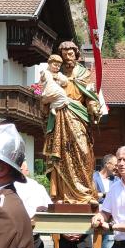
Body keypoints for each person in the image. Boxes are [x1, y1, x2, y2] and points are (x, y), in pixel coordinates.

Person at [42, 40, 101, 205]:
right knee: (61, 153)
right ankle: (62, 195)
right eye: (64, 54)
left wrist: (94, 107)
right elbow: (46, 93)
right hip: (59, 115)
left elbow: (89, 96)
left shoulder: (84, 74)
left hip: (78, 115)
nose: (67, 57)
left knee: (83, 151)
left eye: (70, 54)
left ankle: (85, 192)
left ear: (76, 55)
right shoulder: (55, 73)